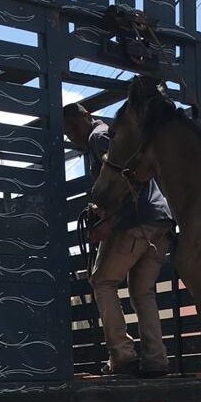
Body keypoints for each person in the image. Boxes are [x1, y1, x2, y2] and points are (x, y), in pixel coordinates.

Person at [63, 103, 174, 377]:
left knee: (102, 281)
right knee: (142, 292)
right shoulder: (102, 135)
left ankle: (122, 356)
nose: (72, 136)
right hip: (159, 221)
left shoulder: (98, 137)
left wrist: (109, 223)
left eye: (74, 127)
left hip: (136, 221)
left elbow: (128, 180)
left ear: (87, 118)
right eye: (67, 132)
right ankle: (156, 360)